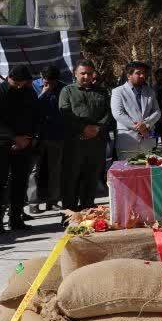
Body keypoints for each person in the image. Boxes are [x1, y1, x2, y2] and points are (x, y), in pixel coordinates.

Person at [0, 64, 40, 233]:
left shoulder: (29, 92)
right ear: (10, 78)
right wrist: (13, 138)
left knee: (20, 182)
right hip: (1, 145)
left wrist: (29, 138)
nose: (19, 86)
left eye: (23, 83)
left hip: (24, 144)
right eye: (17, 83)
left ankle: (16, 218)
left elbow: (35, 116)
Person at [59, 60, 112, 211]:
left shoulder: (102, 92)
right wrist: (83, 128)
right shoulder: (67, 91)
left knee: (91, 179)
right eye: (82, 73)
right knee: (71, 179)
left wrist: (97, 128)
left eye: (89, 73)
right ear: (75, 74)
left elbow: (108, 113)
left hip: (96, 143)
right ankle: (69, 214)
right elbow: (65, 114)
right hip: (75, 143)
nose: (86, 76)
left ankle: (88, 212)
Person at [28, 65, 66, 212]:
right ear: (41, 76)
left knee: (55, 169)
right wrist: (43, 93)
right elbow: (30, 109)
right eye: (46, 81)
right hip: (37, 135)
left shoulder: (63, 88)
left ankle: (53, 201)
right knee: (34, 170)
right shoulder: (32, 86)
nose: (49, 84)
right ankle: (33, 203)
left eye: (52, 82)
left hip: (56, 134)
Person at [111, 61, 161, 160]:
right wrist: (139, 128)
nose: (142, 76)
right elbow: (118, 114)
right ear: (129, 76)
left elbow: (157, 112)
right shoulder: (118, 91)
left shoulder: (149, 91)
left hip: (147, 139)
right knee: (128, 168)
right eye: (138, 73)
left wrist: (146, 124)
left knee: (148, 167)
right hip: (128, 140)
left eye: (144, 73)